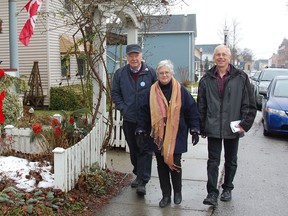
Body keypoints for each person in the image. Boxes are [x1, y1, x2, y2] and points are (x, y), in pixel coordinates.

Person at [197, 44, 257, 207]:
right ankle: (211, 193)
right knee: (213, 161)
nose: (221, 57)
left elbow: (250, 104)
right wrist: (202, 126)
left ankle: (227, 188)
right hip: (213, 127)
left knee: (231, 160)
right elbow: (201, 105)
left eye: (224, 54)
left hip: (233, 127)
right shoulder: (206, 79)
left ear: (229, 58)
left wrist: (245, 124)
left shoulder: (241, 77)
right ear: (214, 58)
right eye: (218, 55)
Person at [136, 59, 200, 208]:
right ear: (157, 74)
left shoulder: (181, 90)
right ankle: (166, 195)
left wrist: (195, 129)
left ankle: (177, 192)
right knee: (161, 166)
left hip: (176, 133)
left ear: (172, 73)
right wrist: (140, 129)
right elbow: (144, 113)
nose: (164, 75)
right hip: (158, 134)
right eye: (161, 73)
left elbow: (192, 110)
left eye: (167, 72)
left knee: (175, 164)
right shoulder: (151, 91)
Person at [111, 44, 157, 196]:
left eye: (136, 55)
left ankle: (143, 181)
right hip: (129, 118)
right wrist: (123, 107)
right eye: (131, 56)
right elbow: (115, 93)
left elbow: (158, 93)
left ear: (141, 56)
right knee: (133, 149)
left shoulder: (150, 73)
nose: (134, 58)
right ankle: (138, 173)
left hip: (146, 120)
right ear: (127, 58)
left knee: (145, 149)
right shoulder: (120, 74)